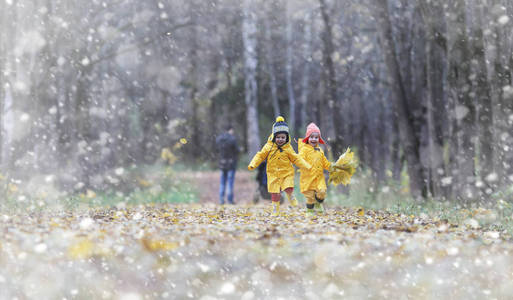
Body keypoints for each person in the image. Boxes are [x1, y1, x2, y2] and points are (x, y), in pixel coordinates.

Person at [248, 116, 311, 216]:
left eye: (282, 137)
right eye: (278, 137)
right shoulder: (268, 146)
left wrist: (306, 165)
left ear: (286, 137)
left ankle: (290, 196)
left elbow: (296, 158)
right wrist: (253, 164)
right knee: (275, 193)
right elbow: (260, 155)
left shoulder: (288, 148)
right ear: (274, 137)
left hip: (286, 172)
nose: (280, 139)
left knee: (288, 187)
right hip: (273, 174)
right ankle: (275, 209)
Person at [298, 123, 334, 216]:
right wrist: (305, 165)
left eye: (316, 137)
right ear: (307, 138)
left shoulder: (320, 150)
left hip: (319, 177)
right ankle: (309, 211)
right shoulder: (304, 150)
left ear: (319, 139)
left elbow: (324, 162)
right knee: (310, 197)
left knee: (322, 191)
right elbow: (299, 160)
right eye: (312, 137)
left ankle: (318, 203)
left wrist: (331, 167)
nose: (314, 139)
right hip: (308, 177)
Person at [216, 125, 238, 204]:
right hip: (231, 164)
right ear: (230, 130)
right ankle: (230, 199)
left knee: (222, 182)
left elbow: (217, 149)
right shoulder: (232, 139)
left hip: (222, 163)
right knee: (230, 182)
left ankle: (221, 199)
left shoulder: (219, 139)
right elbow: (236, 150)